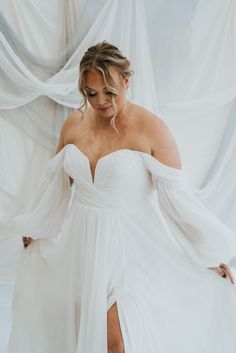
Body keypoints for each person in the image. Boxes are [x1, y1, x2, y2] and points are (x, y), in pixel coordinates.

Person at [7, 41, 236, 353]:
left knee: (117, 344)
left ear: (126, 81)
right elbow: (59, 186)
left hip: (132, 248)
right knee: (85, 334)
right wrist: (39, 227)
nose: (101, 102)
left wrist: (208, 253)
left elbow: (178, 202)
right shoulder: (74, 124)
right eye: (91, 93)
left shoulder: (151, 129)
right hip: (83, 242)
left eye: (110, 92)